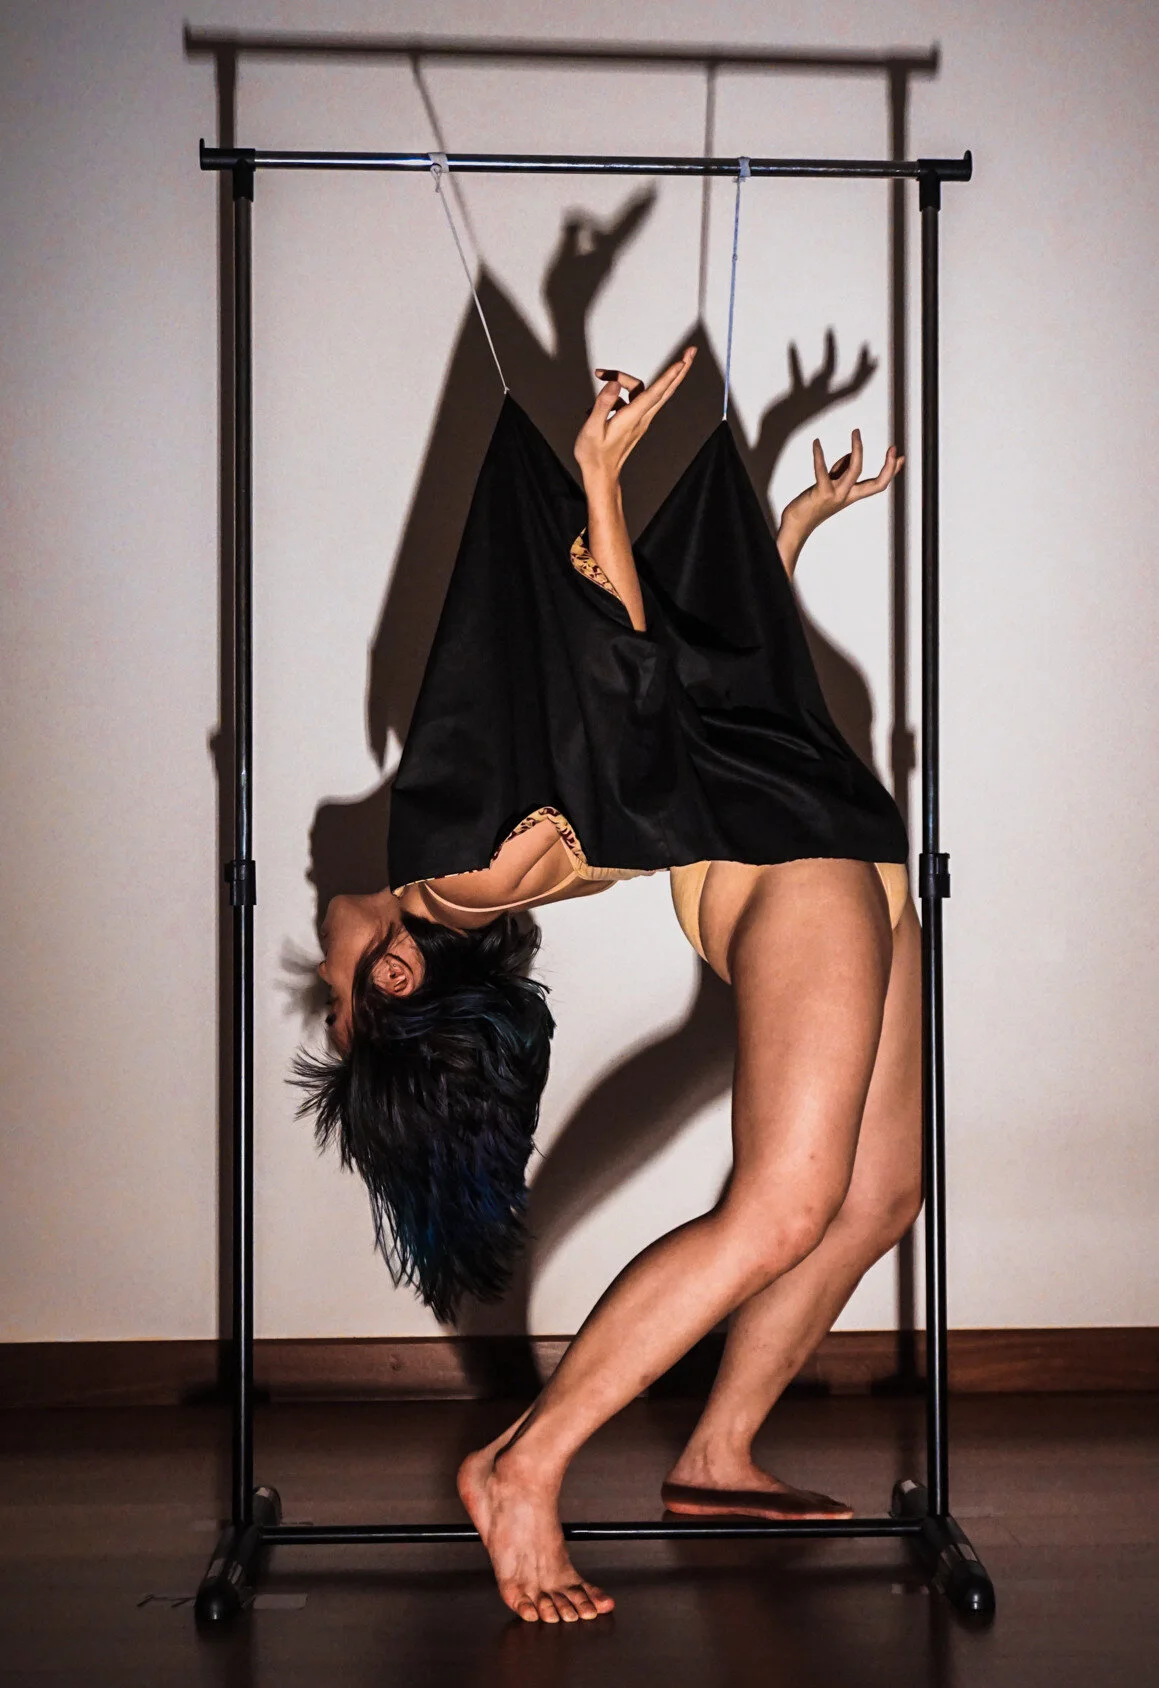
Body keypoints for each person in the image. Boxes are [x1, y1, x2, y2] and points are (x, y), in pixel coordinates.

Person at [304, 351, 913, 1621]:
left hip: (833, 841)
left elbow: (683, 711)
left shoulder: (454, 857)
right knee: (787, 1204)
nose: (320, 975)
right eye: (337, 1003)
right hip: (795, 869)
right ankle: (521, 1464)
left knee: (876, 1195)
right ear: (399, 971)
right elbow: (621, 704)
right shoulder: (457, 872)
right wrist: (594, 483)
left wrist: (786, 536)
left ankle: (717, 1452)